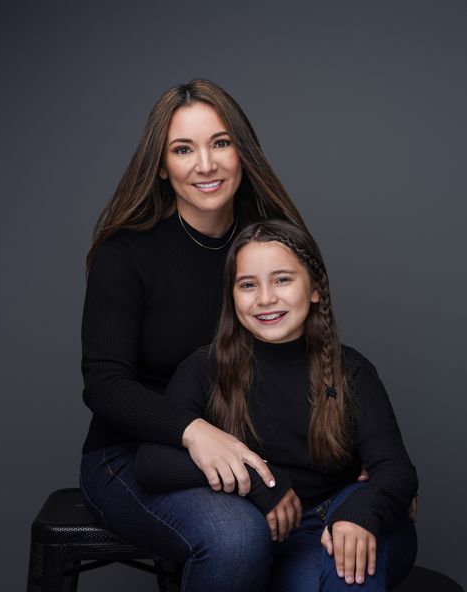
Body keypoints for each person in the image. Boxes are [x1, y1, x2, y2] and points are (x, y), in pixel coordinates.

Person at [80, 79, 310, 592]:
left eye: (220, 143)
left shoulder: (268, 245)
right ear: (161, 166)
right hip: (129, 458)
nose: (205, 165)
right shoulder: (126, 255)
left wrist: (374, 469)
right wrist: (194, 430)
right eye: (183, 149)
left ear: (242, 153)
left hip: (254, 449)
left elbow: (310, 358)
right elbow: (104, 385)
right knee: (237, 538)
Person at [135, 219, 418, 591]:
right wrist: (257, 479)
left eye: (283, 280)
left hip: (348, 516)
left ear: (315, 289)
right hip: (279, 535)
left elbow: (396, 469)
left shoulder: (350, 370)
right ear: (231, 296)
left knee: (349, 573)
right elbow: (151, 464)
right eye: (248, 285)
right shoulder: (205, 369)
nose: (265, 298)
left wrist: (361, 511)